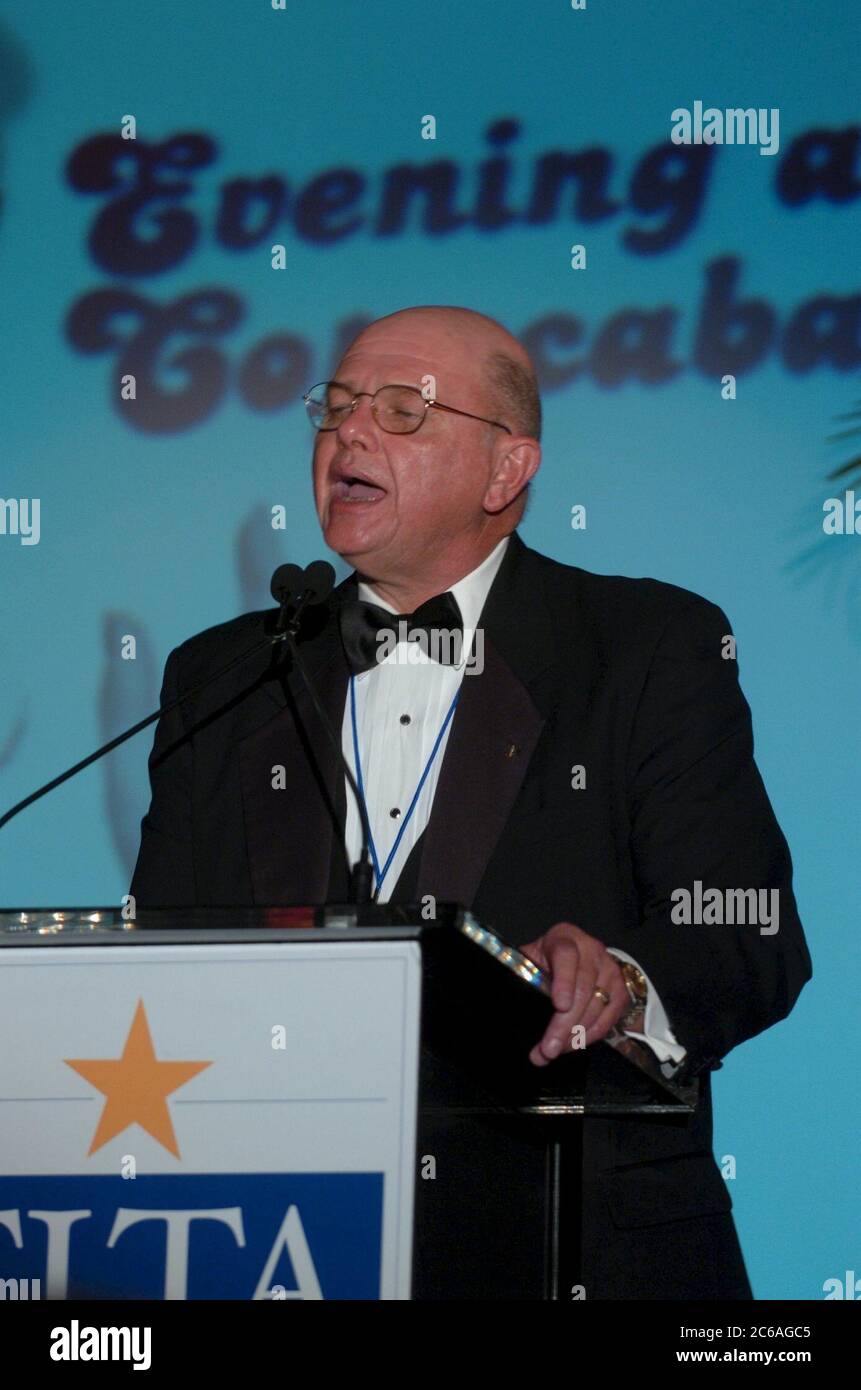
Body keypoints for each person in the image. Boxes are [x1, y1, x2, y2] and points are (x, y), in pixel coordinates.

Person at [130, 305, 811, 1300]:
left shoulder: (648, 645)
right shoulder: (226, 673)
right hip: (285, 1251)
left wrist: (622, 977)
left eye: (402, 411)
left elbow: (752, 929)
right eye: (339, 407)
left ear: (507, 472)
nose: (350, 434)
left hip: (578, 1247)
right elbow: (164, 960)